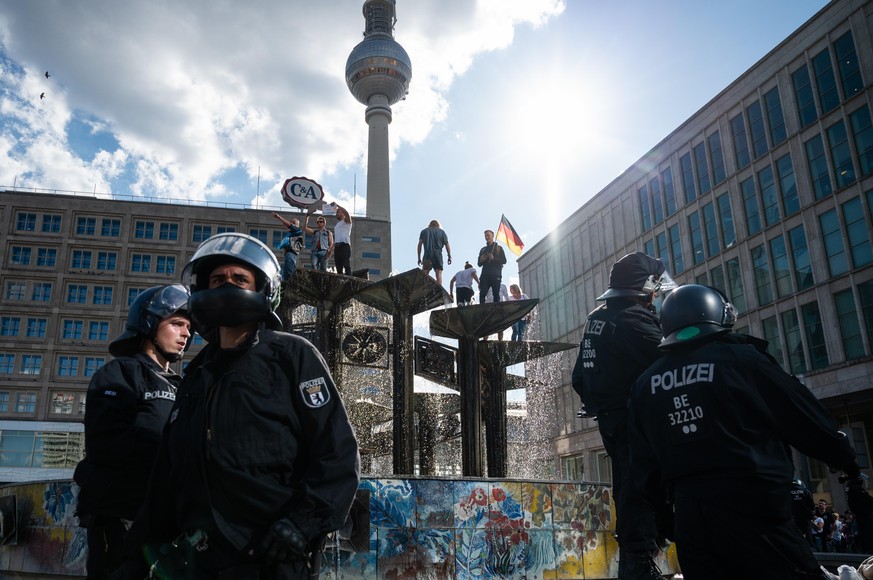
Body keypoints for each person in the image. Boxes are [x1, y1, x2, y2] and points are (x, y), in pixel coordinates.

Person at [115, 233, 360, 579]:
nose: (226, 285)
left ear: (262, 289)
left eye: (239, 278)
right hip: (202, 561)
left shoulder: (292, 354)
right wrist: (134, 557)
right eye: (217, 280)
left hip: (271, 555)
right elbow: (167, 475)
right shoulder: (197, 372)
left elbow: (336, 450)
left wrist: (303, 523)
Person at [627, 284, 860, 579]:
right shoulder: (742, 361)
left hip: (691, 520)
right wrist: (844, 458)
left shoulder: (645, 385)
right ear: (718, 314)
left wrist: (665, 519)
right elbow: (802, 416)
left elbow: (643, 467)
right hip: (753, 510)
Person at [74, 284, 192, 580]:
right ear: (150, 323)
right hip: (122, 516)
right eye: (177, 324)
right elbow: (106, 441)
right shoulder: (120, 373)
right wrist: (170, 455)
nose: (186, 334)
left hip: (167, 521)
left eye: (189, 327)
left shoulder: (181, 386)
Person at [570, 251, 670, 579]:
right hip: (634, 416)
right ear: (643, 288)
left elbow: (579, 377)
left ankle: (635, 557)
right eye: (654, 289)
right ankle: (640, 561)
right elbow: (667, 360)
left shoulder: (598, 317)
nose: (656, 296)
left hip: (610, 415)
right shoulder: (633, 318)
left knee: (626, 483)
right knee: (641, 484)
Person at [417, 219, 452, 286]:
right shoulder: (442, 232)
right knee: (438, 273)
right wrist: (449, 256)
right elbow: (447, 245)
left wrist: (419, 257)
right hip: (438, 255)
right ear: (438, 225)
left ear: (429, 224)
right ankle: (439, 291)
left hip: (427, 255)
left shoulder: (424, 231)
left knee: (425, 273)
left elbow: (419, 245)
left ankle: (422, 289)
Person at [477, 229, 506, 305]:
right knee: (482, 294)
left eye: (488, 235)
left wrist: (494, 258)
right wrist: (482, 260)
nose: (487, 237)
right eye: (485, 236)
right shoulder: (483, 249)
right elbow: (479, 264)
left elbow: (504, 260)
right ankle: (481, 309)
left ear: (493, 236)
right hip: (485, 275)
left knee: (496, 294)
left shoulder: (499, 248)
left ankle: (497, 310)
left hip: (496, 274)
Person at [273, 212, 305, 281]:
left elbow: (288, 225)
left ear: (295, 224)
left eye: (292, 223)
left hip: (291, 253)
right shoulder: (292, 234)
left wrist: (278, 217)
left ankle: (291, 283)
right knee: (287, 270)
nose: (290, 225)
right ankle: (287, 283)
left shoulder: (297, 230)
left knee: (289, 270)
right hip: (289, 253)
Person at [332, 202, 353, 275]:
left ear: (343, 213)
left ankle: (349, 281)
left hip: (344, 246)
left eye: (338, 212)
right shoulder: (337, 225)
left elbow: (347, 213)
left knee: (346, 265)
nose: (336, 213)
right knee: (338, 268)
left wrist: (337, 205)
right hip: (337, 247)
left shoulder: (347, 222)